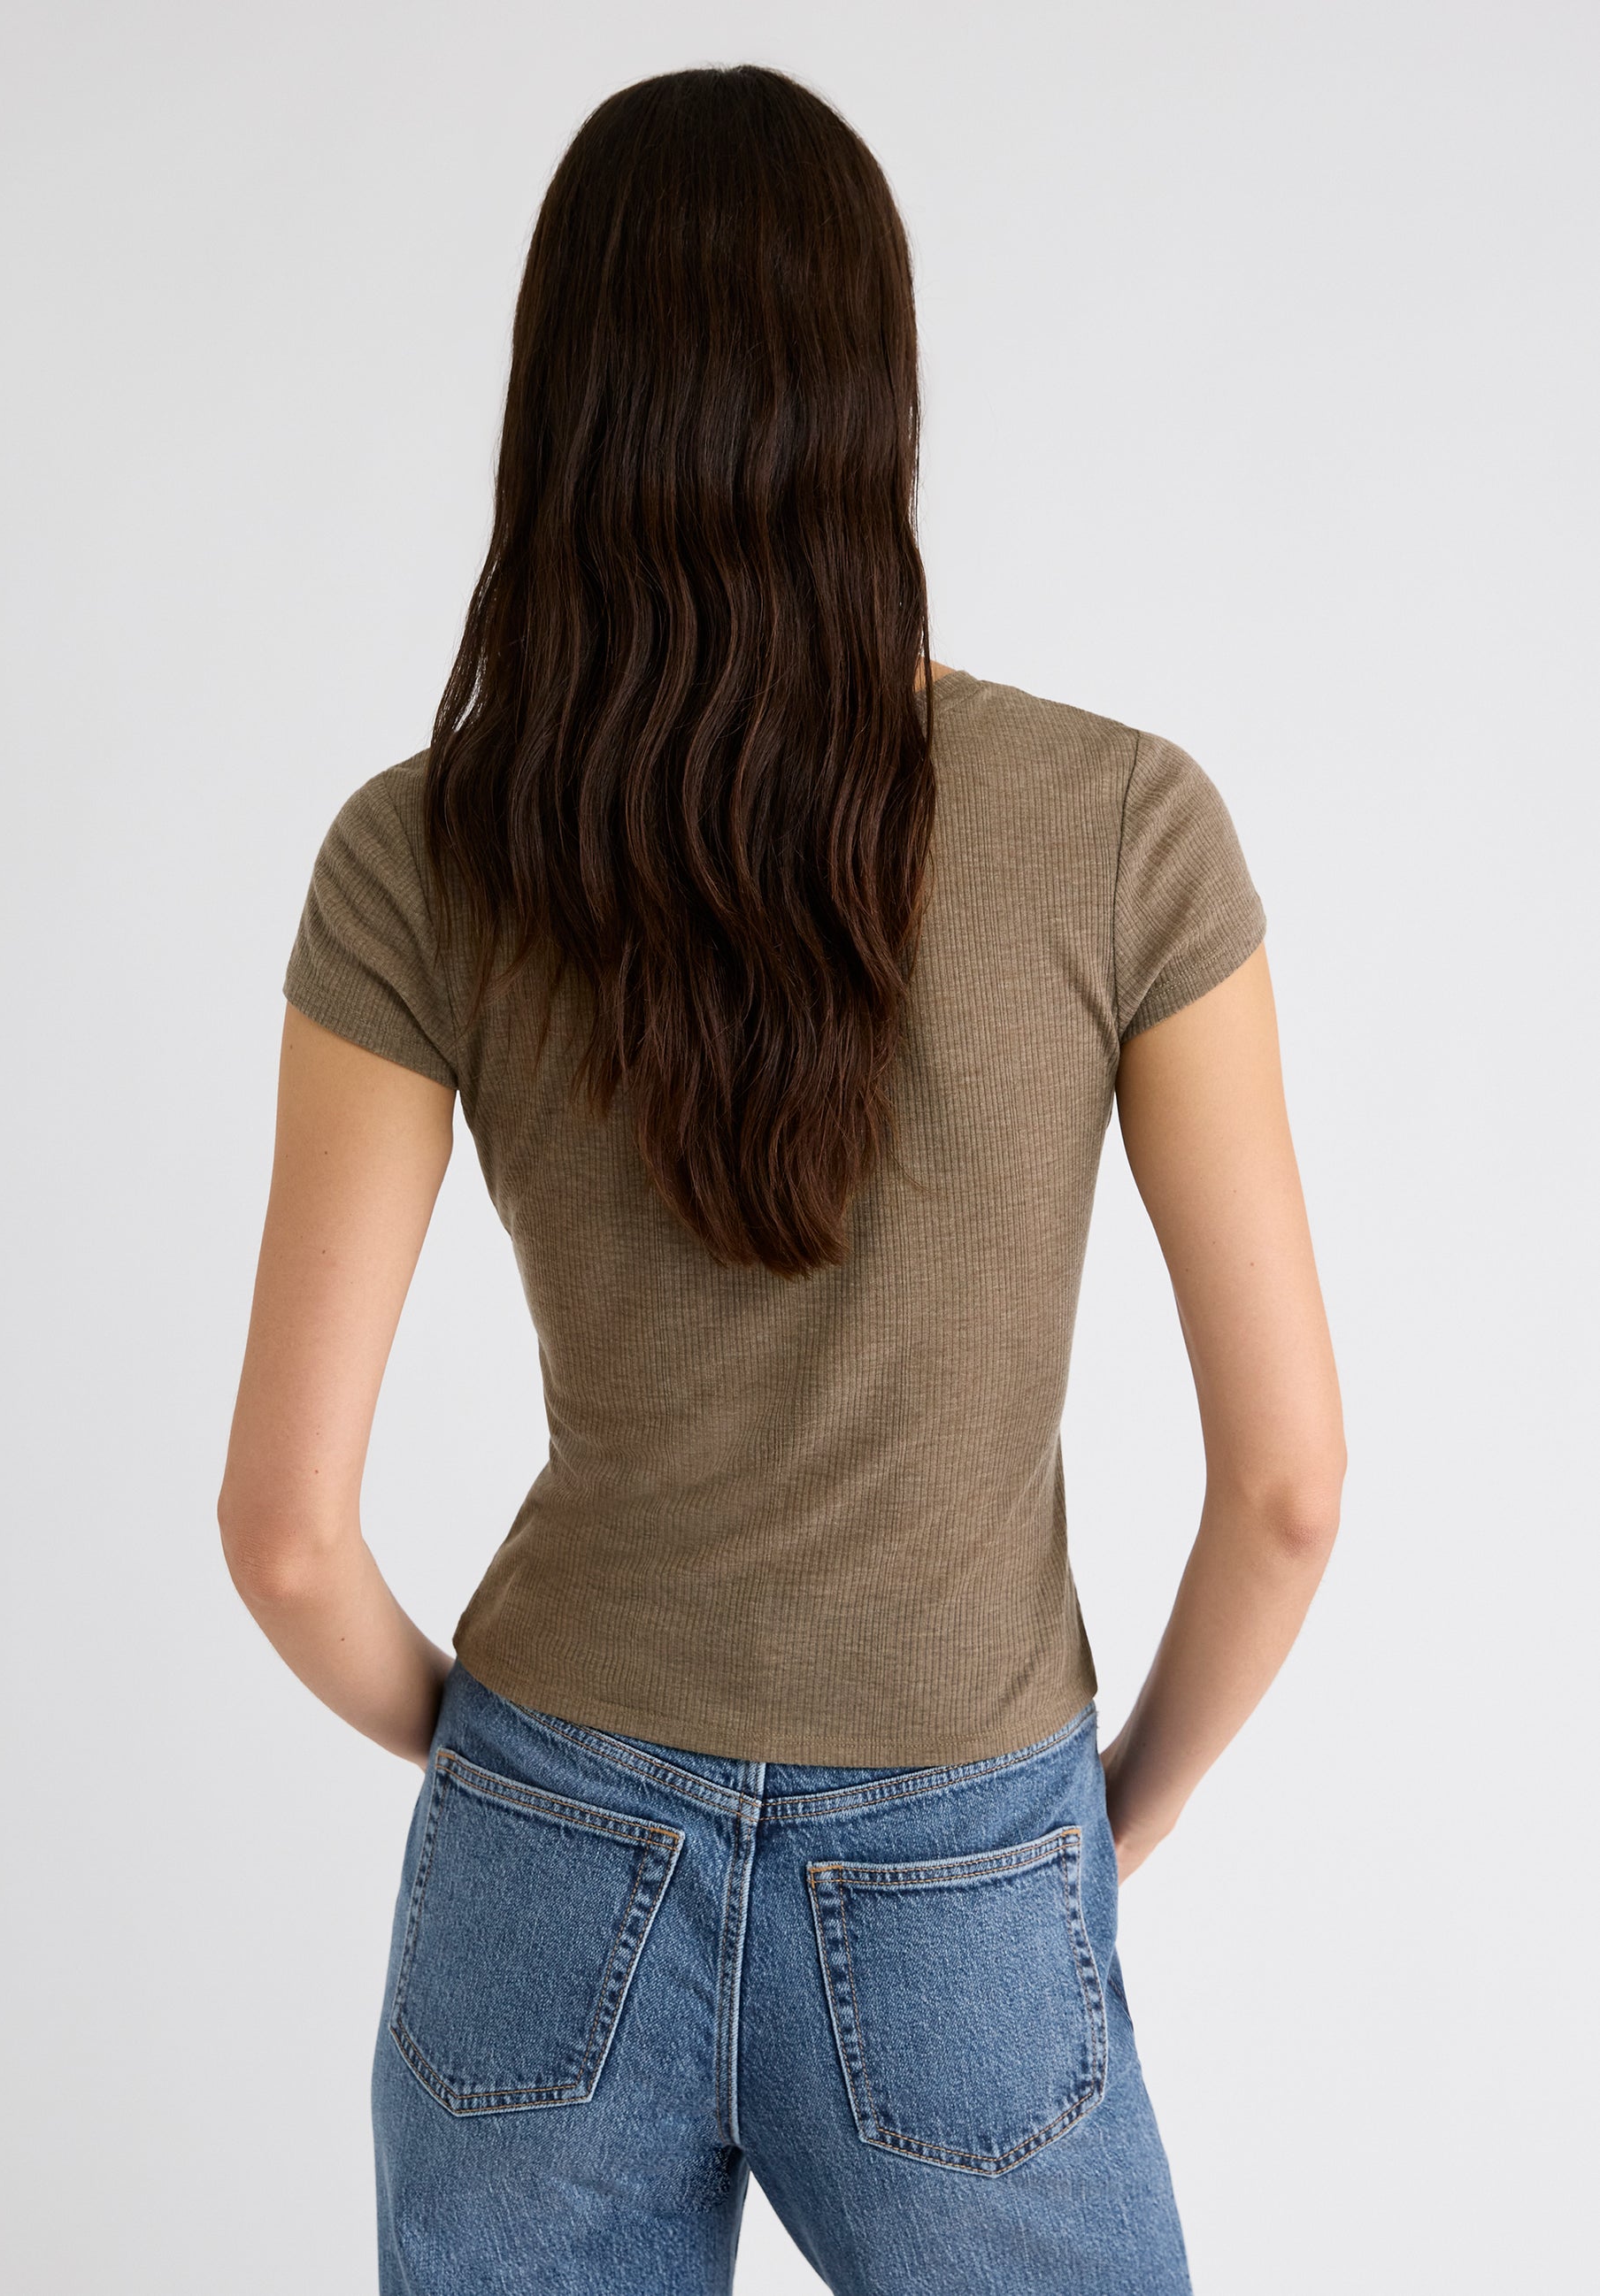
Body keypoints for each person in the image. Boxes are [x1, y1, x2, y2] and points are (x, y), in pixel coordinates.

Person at [218, 63, 1344, 2296]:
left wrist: (520, 1778)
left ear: (562, 399)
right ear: (876, 393)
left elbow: (284, 1532)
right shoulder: (1123, 826)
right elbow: (1290, 1487)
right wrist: (1098, 1819)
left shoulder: (423, 851)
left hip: (547, 1839)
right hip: (966, 1851)